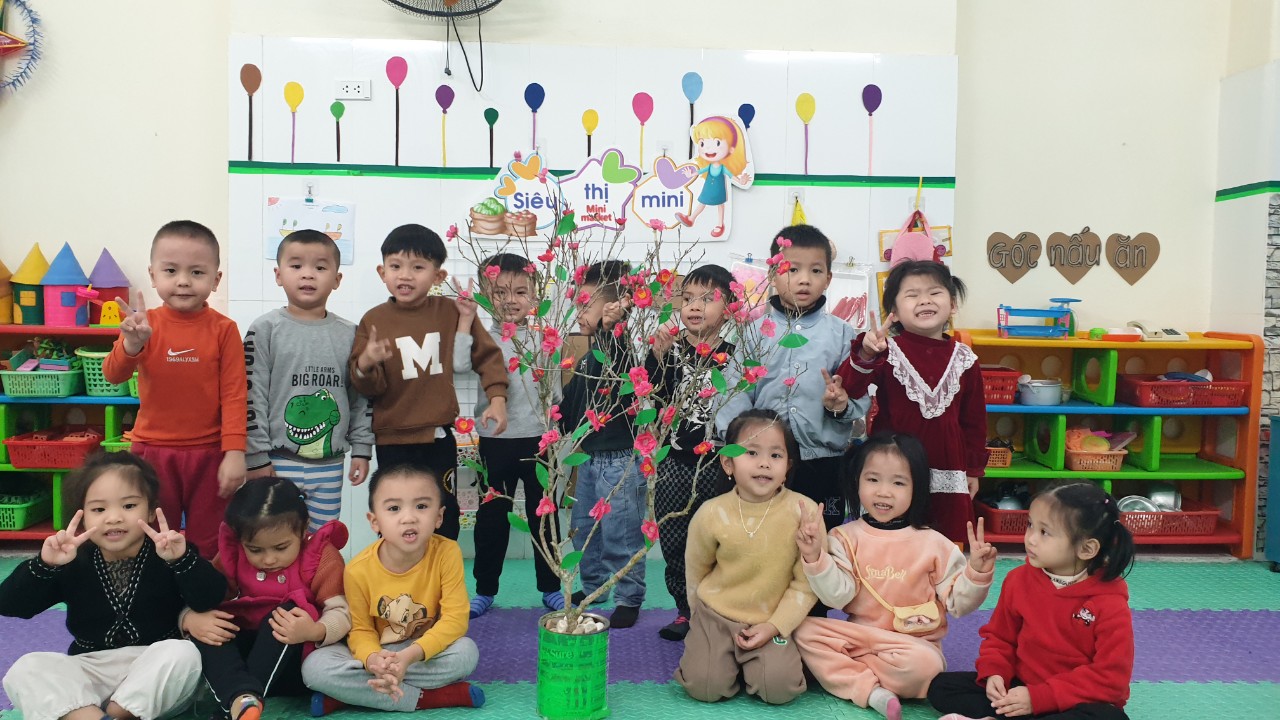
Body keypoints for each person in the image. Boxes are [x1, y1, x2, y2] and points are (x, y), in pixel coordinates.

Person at [0, 452, 226, 720]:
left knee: (183, 653)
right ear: (83, 515)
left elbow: (211, 597)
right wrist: (45, 565)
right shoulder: (72, 560)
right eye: (99, 510)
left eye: (129, 506)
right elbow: (11, 605)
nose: (114, 518)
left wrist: (182, 560)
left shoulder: (169, 553)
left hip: (153, 672)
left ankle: (118, 714)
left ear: (151, 510)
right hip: (90, 669)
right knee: (26, 668)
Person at [793, 433, 996, 720]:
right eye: (873, 479)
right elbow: (836, 597)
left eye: (898, 483)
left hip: (911, 646)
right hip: (859, 637)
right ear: (857, 482)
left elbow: (958, 604)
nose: (884, 492)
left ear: (917, 488)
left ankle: (851, 675)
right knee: (802, 631)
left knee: (928, 667)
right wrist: (815, 557)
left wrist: (977, 572)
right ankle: (873, 692)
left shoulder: (935, 544)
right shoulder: (843, 537)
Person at [349, 223, 509, 540]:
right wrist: (366, 363)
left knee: (442, 511)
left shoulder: (452, 311)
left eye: (418, 267)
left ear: (438, 276)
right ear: (382, 272)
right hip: (391, 440)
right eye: (396, 266)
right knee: (394, 514)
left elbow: (487, 356)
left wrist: (497, 399)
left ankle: (441, 570)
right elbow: (368, 387)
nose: (405, 276)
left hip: (438, 438)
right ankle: (397, 570)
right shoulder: (373, 320)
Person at [927, 483, 1136, 720]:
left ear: (1086, 549)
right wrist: (995, 672)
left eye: (1044, 532)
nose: (1031, 539)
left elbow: (1111, 679)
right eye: (1030, 525)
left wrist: (1039, 698)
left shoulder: (1109, 603)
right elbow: (1000, 637)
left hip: (1076, 700)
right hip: (1023, 687)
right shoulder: (1018, 580)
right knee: (941, 688)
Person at [102, 220, 247, 554]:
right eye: (171, 270)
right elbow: (112, 375)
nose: (183, 281)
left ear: (216, 279)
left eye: (197, 272)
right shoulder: (144, 325)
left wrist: (235, 452)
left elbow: (235, 395)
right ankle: (156, 587)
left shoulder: (224, 330)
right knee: (151, 533)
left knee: (211, 539)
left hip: (209, 452)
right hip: (152, 451)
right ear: (153, 275)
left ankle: (206, 587)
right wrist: (131, 345)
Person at [717, 224, 869, 531]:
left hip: (823, 462)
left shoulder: (843, 335)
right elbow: (734, 394)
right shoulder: (753, 333)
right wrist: (738, 448)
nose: (804, 279)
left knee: (820, 537)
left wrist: (839, 405)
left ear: (828, 278)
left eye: (816, 270)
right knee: (762, 537)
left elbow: (856, 398)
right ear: (773, 274)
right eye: (792, 269)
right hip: (762, 462)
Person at [302, 464, 483, 714]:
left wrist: (409, 657)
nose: (408, 517)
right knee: (314, 667)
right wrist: (373, 660)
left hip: (420, 652)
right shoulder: (357, 570)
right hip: (377, 653)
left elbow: (455, 620)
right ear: (375, 521)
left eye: (421, 506)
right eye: (394, 508)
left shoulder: (447, 552)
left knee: (466, 653)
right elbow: (361, 630)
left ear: (439, 517)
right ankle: (429, 698)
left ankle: (351, 696)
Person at [675, 409, 817, 705]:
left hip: (770, 619)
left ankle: (750, 664)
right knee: (704, 687)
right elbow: (696, 569)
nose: (765, 463)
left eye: (776, 455)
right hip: (716, 616)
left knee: (779, 689)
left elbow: (805, 583)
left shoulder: (804, 512)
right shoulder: (711, 512)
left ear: (788, 466)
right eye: (752, 452)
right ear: (728, 462)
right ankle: (721, 660)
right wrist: (699, 619)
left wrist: (776, 626)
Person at [838, 259, 986, 543]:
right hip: (893, 467)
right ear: (894, 312)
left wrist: (974, 470)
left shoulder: (965, 358)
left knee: (945, 540)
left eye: (934, 292)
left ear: (952, 304)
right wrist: (867, 353)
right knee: (890, 537)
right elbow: (850, 387)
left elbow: (974, 421)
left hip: (948, 466)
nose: (925, 300)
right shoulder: (885, 350)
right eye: (912, 294)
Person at [182, 477, 350, 720]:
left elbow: (342, 613)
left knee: (285, 614)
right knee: (212, 626)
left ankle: (233, 707)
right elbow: (208, 596)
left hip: (294, 661)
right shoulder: (232, 553)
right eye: (255, 550)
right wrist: (190, 618)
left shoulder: (321, 556)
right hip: (246, 661)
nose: (269, 560)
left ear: (304, 529)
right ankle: (241, 701)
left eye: (281, 548)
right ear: (240, 539)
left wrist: (314, 631)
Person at [454, 253, 564, 617]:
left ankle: (551, 587)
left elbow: (555, 395)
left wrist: (552, 429)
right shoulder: (480, 339)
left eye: (520, 292)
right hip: (494, 441)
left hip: (538, 441)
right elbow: (458, 365)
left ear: (535, 296)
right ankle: (485, 589)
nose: (510, 300)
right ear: (486, 294)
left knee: (543, 517)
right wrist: (465, 321)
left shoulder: (546, 340)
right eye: (500, 292)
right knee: (491, 519)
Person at [243, 229, 374, 531]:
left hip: (330, 466)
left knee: (322, 541)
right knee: (275, 538)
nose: (308, 274)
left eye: (320, 267)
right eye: (296, 265)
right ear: (278, 275)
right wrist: (256, 456)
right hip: (275, 461)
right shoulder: (264, 329)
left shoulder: (351, 334)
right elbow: (251, 394)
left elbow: (360, 396)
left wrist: (362, 448)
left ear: (337, 279)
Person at [648, 264, 735, 641]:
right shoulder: (669, 348)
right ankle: (685, 610)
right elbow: (653, 397)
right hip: (673, 461)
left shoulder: (735, 356)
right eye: (687, 299)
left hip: (718, 463)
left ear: (729, 309)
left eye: (707, 299)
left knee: (721, 540)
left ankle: (720, 610)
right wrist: (657, 358)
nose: (695, 306)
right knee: (674, 537)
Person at [561, 260, 646, 629]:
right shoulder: (588, 355)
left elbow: (620, 359)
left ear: (613, 307)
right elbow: (571, 405)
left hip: (619, 461)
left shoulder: (618, 348)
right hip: (588, 460)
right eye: (577, 305)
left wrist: (614, 327)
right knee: (585, 529)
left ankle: (629, 596)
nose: (578, 313)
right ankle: (595, 586)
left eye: (585, 305)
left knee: (620, 534)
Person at [674, 115, 753, 238]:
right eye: (702, 143)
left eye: (717, 142)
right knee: (702, 203)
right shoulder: (709, 166)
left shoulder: (723, 168)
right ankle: (691, 219)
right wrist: (691, 174)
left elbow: (731, 176)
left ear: (731, 149)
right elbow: (700, 171)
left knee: (720, 205)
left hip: (719, 190)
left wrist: (741, 181)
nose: (708, 148)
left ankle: (720, 224)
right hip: (708, 189)